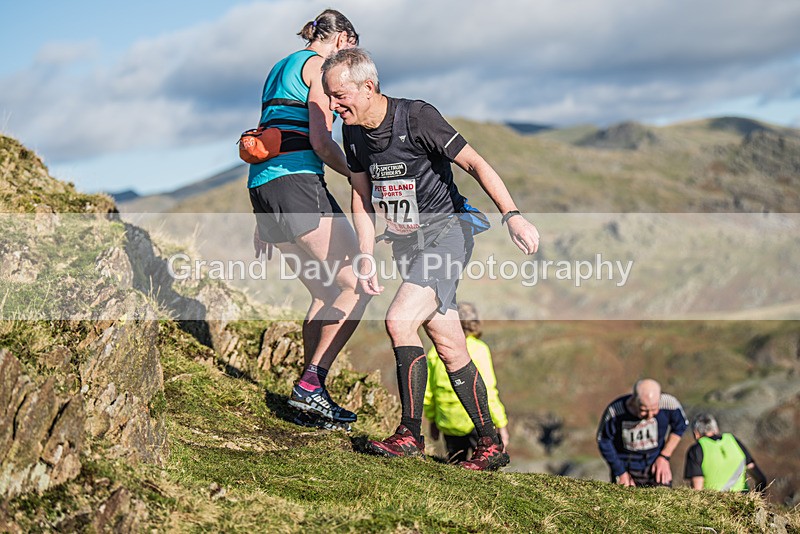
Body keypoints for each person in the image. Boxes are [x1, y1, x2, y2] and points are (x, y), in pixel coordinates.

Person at [321, 48, 540, 471]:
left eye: (339, 95)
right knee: (450, 346)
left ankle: (409, 435)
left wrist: (511, 215)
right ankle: (491, 445)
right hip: (408, 247)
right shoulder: (352, 133)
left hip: (449, 235)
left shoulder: (416, 117)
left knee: (399, 320)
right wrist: (366, 253)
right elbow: (361, 196)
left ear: (368, 88)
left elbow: (475, 163)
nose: (333, 105)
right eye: (330, 97)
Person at [247, 10, 368, 425]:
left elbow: (271, 129)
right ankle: (311, 385)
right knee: (357, 284)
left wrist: (263, 219)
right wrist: (357, 175)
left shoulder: (280, 66)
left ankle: (308, 394)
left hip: (264, 189)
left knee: (322, 290)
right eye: (351, 51)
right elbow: (319, 140)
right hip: (297, 183)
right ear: (343, 39)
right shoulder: (320, 67)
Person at [424, 302, 510, 463]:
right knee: (483, 464)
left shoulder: (436, 350)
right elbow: (488, 391)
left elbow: (428, 392)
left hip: (447, 420)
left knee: (456, 462)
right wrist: (501, 424)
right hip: (474, 421)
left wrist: (433, 420)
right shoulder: (479, 349)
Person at [596, 378, 688, 487]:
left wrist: (664, 457)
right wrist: (620, 472)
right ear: (634, 400)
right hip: (626, 467)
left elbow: (680, 426)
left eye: (654, 409)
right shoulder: (615, 411)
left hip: (656, 464)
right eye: (644, 410)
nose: (649, 415)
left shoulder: (669, 404)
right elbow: (603, 440)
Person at [684, 413, 767, 492]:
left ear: (696, 433)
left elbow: (697, 488)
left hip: (714, 503)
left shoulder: (696, 449)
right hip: (743, 501)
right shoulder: (733, 441)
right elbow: (761, 478)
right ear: (716, 429)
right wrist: (756, 501)